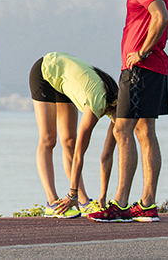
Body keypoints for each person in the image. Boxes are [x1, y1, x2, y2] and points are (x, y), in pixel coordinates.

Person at [87, 0, 168, 223]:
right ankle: (148, 204)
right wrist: (155, 46)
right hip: (155, 68)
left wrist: (143, 50)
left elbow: (161, 15)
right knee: (144, 131)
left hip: (140, 69)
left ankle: (119, 203)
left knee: (122, 130)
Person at [29, 52, 119, 219]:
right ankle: (52, 202)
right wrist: (71, 193)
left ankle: (84, 202)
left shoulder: (117, 111)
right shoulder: (97, 102)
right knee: (49, 139)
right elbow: (80, 152)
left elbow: (107, 155)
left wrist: (103, 195)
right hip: (45, 71)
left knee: (69, 141)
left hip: (63, 80)